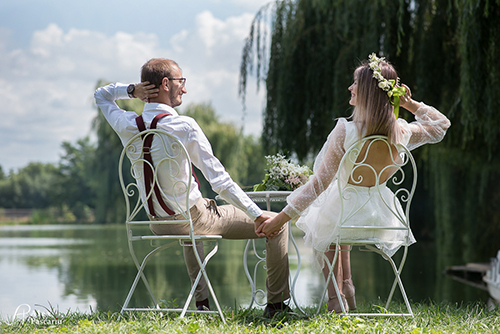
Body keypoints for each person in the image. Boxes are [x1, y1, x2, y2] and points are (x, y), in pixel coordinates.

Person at [94, 58, 290, 317]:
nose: (184, 88)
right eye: (181, 81)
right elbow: (219, 181)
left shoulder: (128, 124)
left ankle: (202, 305)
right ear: (166, 84)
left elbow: (101, 96)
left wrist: (130, 91)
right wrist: (258, 215)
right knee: (278, 224)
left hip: (156, 221)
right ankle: (276, 307)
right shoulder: (184, 126)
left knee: (192, 211)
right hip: (192, 218)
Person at [258, 53, 451, 313]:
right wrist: (409, 104)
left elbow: (318, 184)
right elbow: (441, 124)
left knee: (325, 217)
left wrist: (279, 219)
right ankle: (347, 288)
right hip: (384, 219)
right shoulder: (402, 131)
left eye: (355, 84)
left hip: (347, 217)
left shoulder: (346, 131)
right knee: (336, 212)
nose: (350, 88)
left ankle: (336, 301)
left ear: (370, 92)